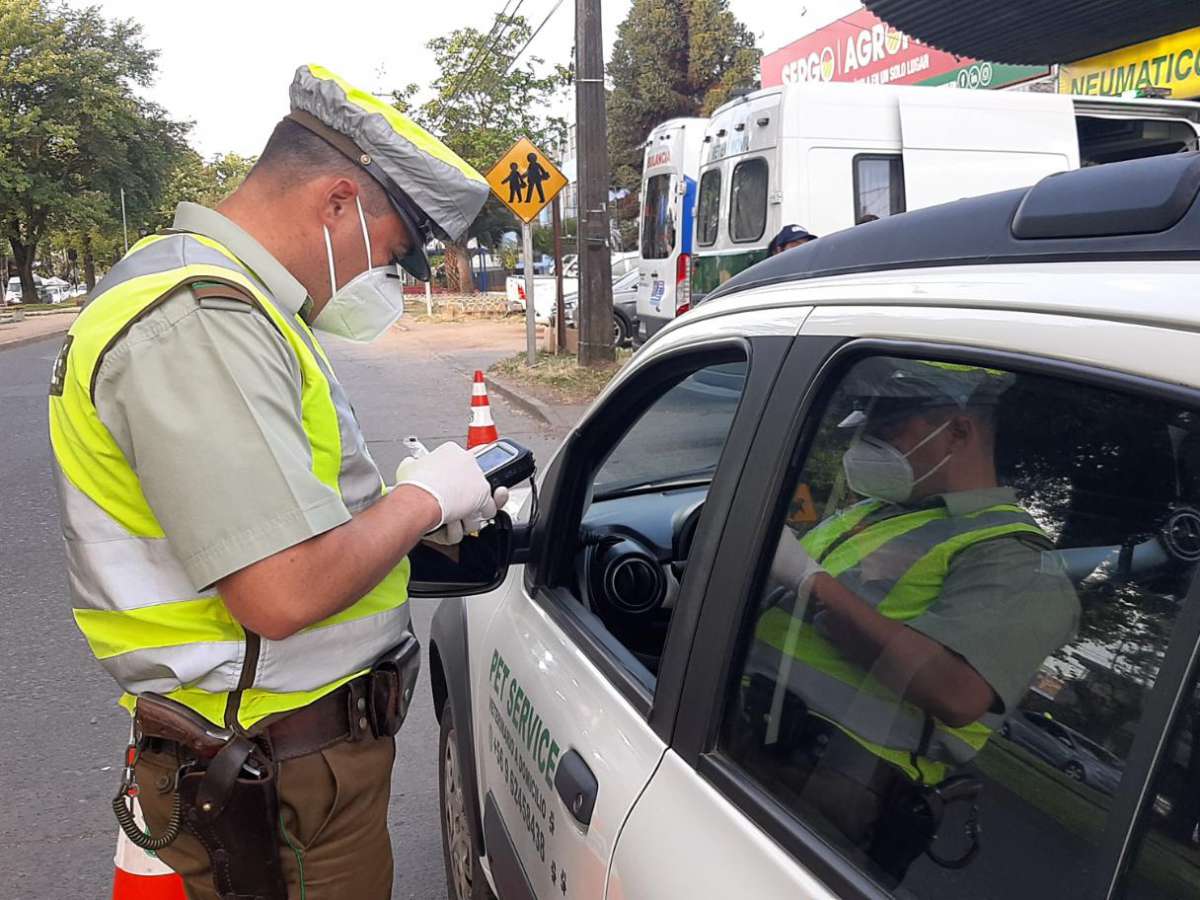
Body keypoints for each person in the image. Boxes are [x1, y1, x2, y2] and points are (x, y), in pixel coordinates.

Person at [47, 64, 498, 899]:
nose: (385, 281)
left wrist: (396, 514)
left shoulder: (237, 304)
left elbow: (288, 507)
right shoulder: (200, 319)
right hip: (267, 783)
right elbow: (282, 590)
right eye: (391, 252)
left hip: (274, 765)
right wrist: (423, 498)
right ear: (335, 203)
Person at [744, 359, 1079, 884]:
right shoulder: (877, 513)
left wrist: (813, 584)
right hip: (758, 746)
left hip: (836, 795)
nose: (867, 447)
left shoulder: (1015, 561)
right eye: (865, 429)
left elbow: (957, 693)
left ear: (959, 430)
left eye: (887, 429)